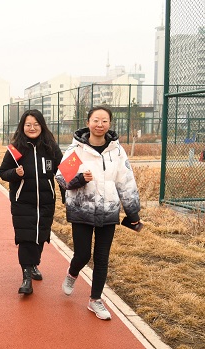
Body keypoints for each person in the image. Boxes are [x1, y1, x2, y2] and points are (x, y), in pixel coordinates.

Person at [56, 106, 141, 320]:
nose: (100, 124)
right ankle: (72, 273)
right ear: (88, 122)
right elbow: (61, 178)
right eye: (96, 120)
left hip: (108, 210)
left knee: (102, 258)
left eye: (104, 121)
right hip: (82, 209)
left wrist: (133, 212)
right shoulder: (76, 150)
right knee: (83, 254)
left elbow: (126, 183)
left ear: (110, 124)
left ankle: (95, 300)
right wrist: (78, 180)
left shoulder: (117, 151)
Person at [0, 109, 63, 295]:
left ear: (41, 126)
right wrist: (14, 174)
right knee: (26, 237)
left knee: (40, 236)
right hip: (22, 201)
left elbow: (62, 170)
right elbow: (3, 172)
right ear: (22, 126)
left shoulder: (50, 147)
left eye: (36, 124)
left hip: (45, 201)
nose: (32, 128)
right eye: (28, 125)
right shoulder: (15, 148)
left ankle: (34, 264)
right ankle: (26, 276)